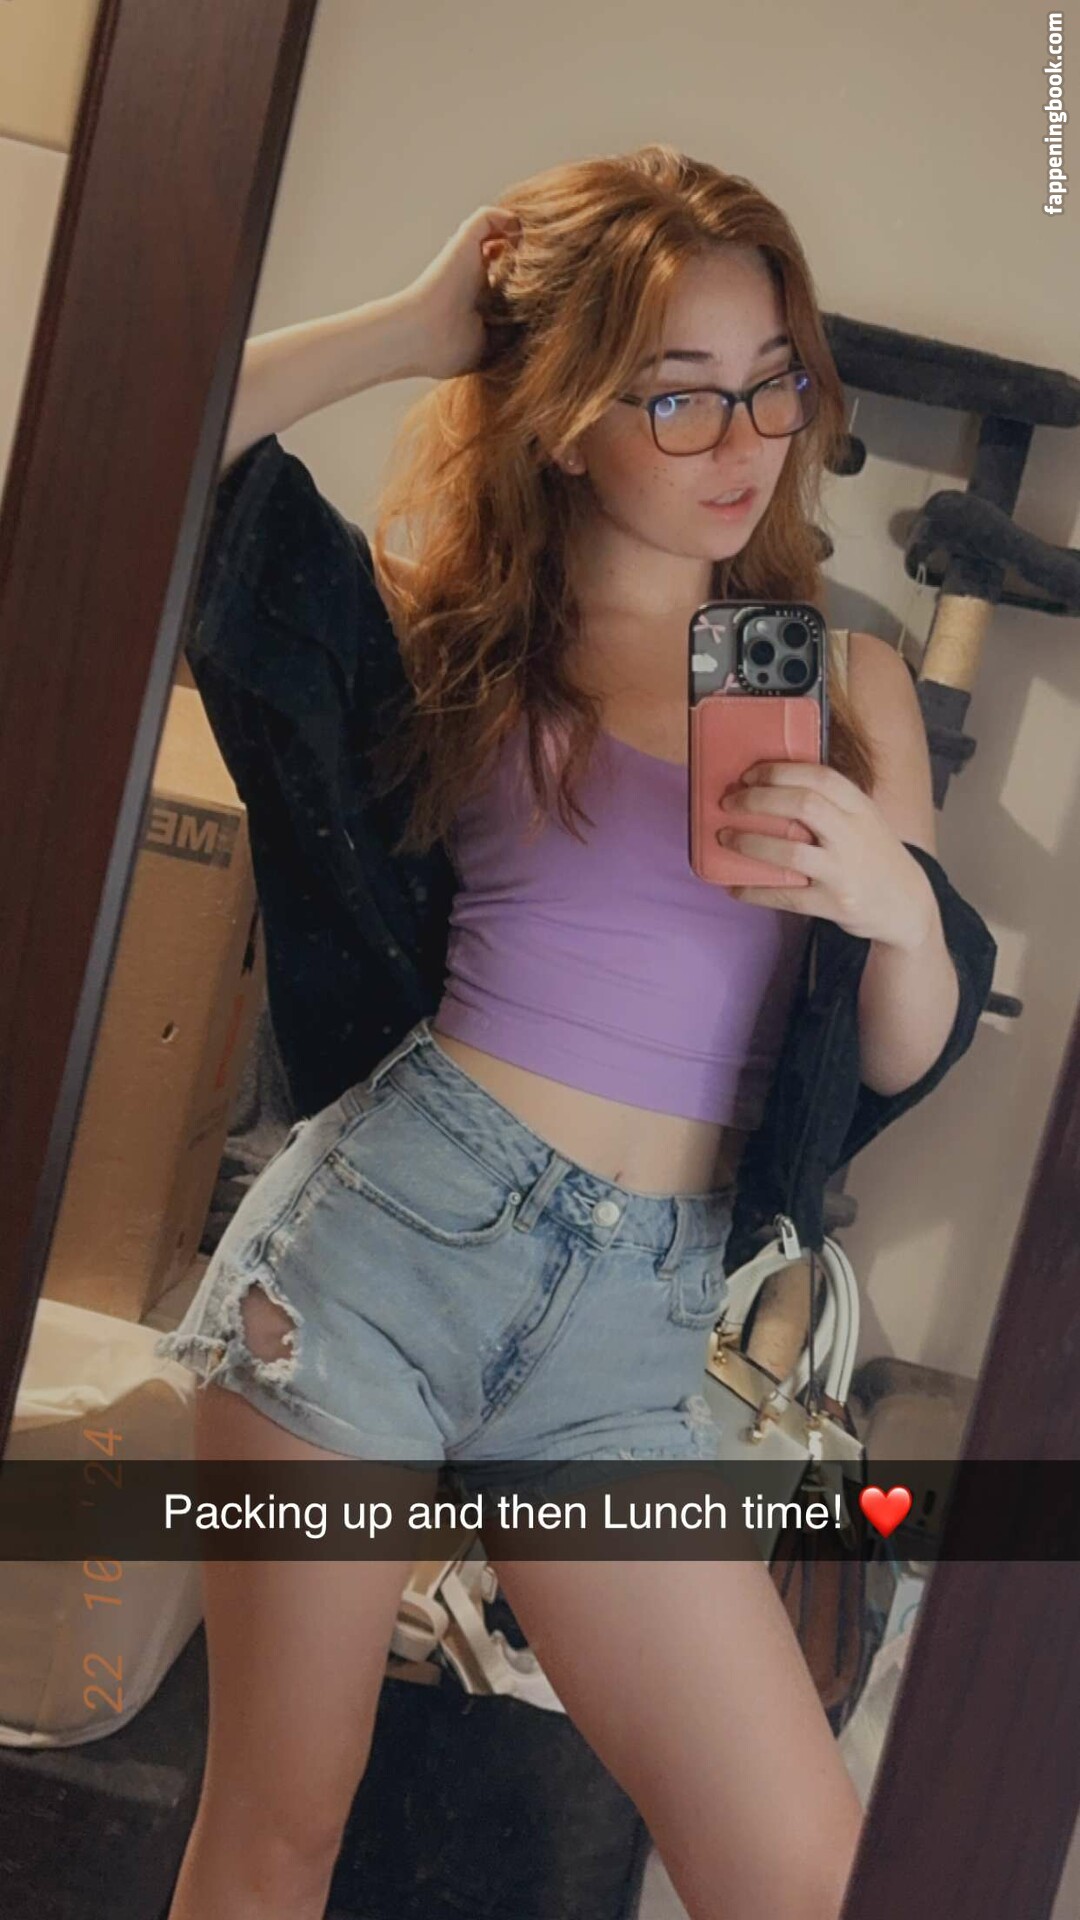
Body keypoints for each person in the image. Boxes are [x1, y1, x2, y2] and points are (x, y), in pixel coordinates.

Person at [156, 144, 991, 1920]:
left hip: (630, 1345)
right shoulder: (459, 642)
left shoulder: (847, 686)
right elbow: (148, 449)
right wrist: (414, 326)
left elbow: (900, 1050)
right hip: (374, 1261)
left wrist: (898, 903)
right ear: (561, 418)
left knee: (809, 1878)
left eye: (772, 383)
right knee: (279, 1829)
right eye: (674, 396)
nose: (740, 442)